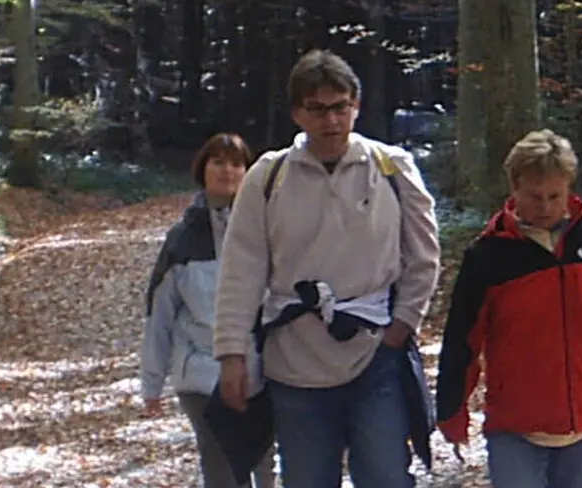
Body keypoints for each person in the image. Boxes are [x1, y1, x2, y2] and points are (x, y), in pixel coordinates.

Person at [210, 49, 442, 488]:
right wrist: (232, 353)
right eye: (317, 109)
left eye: (340, 107)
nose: (330, 121)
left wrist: (404, 324)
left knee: (386, 477)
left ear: (356, 105)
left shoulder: (392, 168)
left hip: (376, 353)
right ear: (298, 112)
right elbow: (242, 268)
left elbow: (423, 254)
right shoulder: (268, 176)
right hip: (294, 360)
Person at [436, 129, 582, 488]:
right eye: (535, 196)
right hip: (515, 426)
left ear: (569, 188)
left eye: (556, 195)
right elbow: (462, 340)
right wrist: (452, 413)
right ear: (514, 189)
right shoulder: (488, 256)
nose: (546, 206)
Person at [139, 132, 277, 488]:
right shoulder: (181, 239)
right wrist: (151, 383)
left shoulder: (267, 231)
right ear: (203, 168)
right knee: (221, 469)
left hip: (262, 371)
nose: (227, 170)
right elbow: (160, 315)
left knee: (263, 465)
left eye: (236, 163)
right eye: (218, 161)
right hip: (200, 374)